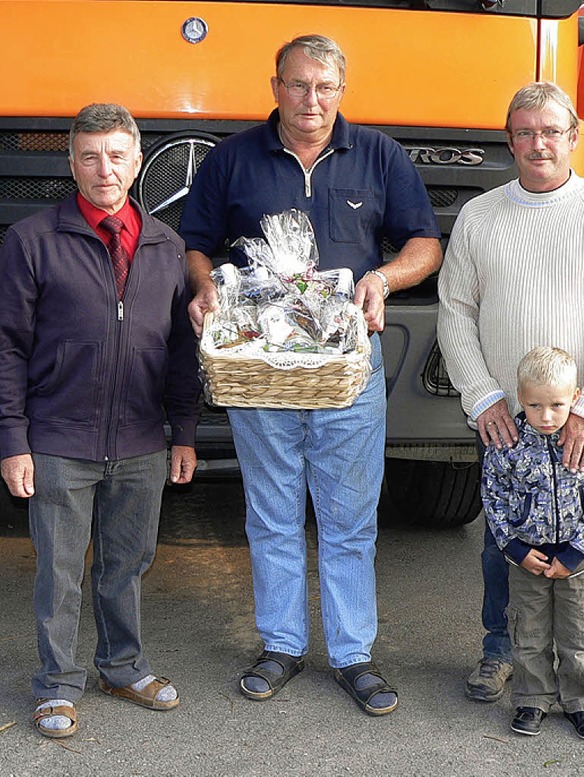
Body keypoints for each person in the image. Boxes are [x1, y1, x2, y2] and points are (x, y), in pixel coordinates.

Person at [180, 34, 442, 715]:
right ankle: (282, 644)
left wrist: (383, 278)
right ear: (275, 87)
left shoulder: (379, 154)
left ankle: (353, 653)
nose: (311, 100)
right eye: (298, 85)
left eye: (324, 87)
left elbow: (425, 243)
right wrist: (205, 290)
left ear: (341, 90)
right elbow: (197, 246)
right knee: (271, 514)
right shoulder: (233, 159)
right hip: (261, 372)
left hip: (346, 373)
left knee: (349, 518)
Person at [438, 81, 584, 711]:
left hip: (577, 418)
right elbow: (455, 312)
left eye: (551, 131)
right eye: (524, 132)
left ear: (573, 137)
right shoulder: (480, 216)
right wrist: (483, 398)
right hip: (507, 418)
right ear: (509, 141)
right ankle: (501, 650)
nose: (538, 143)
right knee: (505, 542)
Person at [0, 104, 200, 738]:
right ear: (71, 164)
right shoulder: (31, 240)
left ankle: (122, 665)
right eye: (89, 156)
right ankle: (56, 686)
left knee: (127, 563)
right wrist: (13, 438)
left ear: (138, 162)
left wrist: (184, 432)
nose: (103, 169)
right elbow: (7, 345)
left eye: (116, 155)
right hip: (59, 439)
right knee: (59, 569)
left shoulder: (166, 247)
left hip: (141, 439)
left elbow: (178, 352)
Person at [483, 347, 584, 739]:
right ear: (520, 399)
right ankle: (532, 699)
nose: (547, 416)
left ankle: (582, 702)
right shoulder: (507, 447)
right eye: (535, 405)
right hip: (528, 559)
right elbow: (493, 499)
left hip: (576, 560)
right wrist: (516, 550)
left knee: (578, 632)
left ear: (575, 397)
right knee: (529, 633)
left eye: (556, 404)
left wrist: (575, 554)